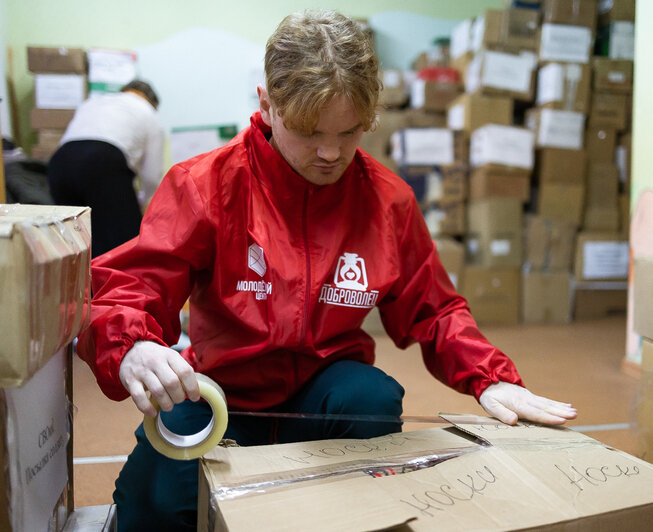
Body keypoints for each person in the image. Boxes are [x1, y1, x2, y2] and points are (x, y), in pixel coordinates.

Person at [77, 10, 577, 532]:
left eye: (350, 131)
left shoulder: (387, 201)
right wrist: (131, 343)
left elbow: (435, 309)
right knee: (150, 505)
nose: (330, 152)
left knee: (373, 397)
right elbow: (129, 286)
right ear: (267, 105)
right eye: (309, 131)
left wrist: (490, 380)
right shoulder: (204, 186)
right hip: (221, 390)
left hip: (327, 388)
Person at [47, 79, 164, 257]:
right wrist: (143, 203)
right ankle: (111, 285)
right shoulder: (148, 112)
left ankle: (77, 284)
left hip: (60, 162)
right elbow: (152, 176)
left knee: (73, 240)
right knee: (121, 247)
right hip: (102, 162)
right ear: (152, 102)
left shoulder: (93, 103)